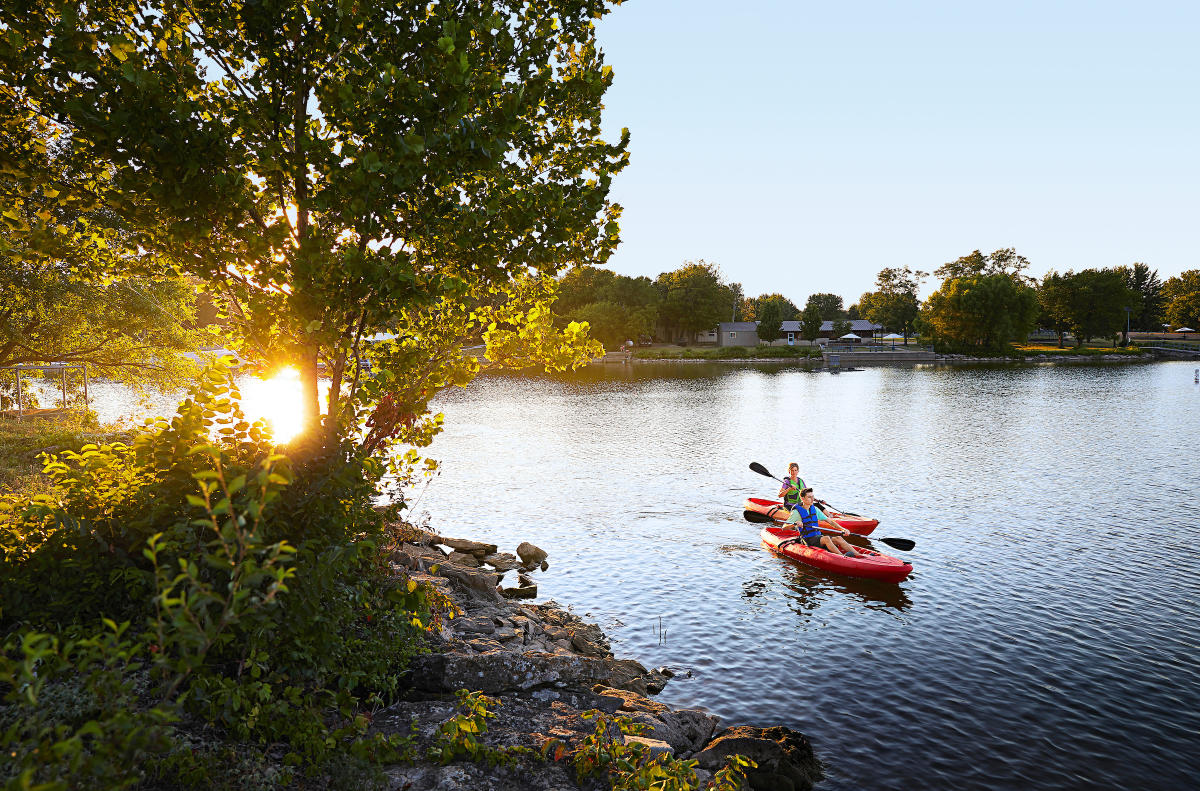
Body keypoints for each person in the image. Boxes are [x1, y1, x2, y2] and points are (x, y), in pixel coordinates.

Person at [783, 488, 860, 557]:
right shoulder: (797, 512)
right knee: (826, 538)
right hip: (807, 539)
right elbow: (784, 527)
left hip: (817, 537)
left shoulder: (815, 509)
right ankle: (842, 557)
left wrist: (842, 529)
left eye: (813, 497)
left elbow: (830, 521)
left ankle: (859, 555)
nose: (812, 499)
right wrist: (795, 523)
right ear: (802, 498)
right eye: (809, 497)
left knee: (838, 538)